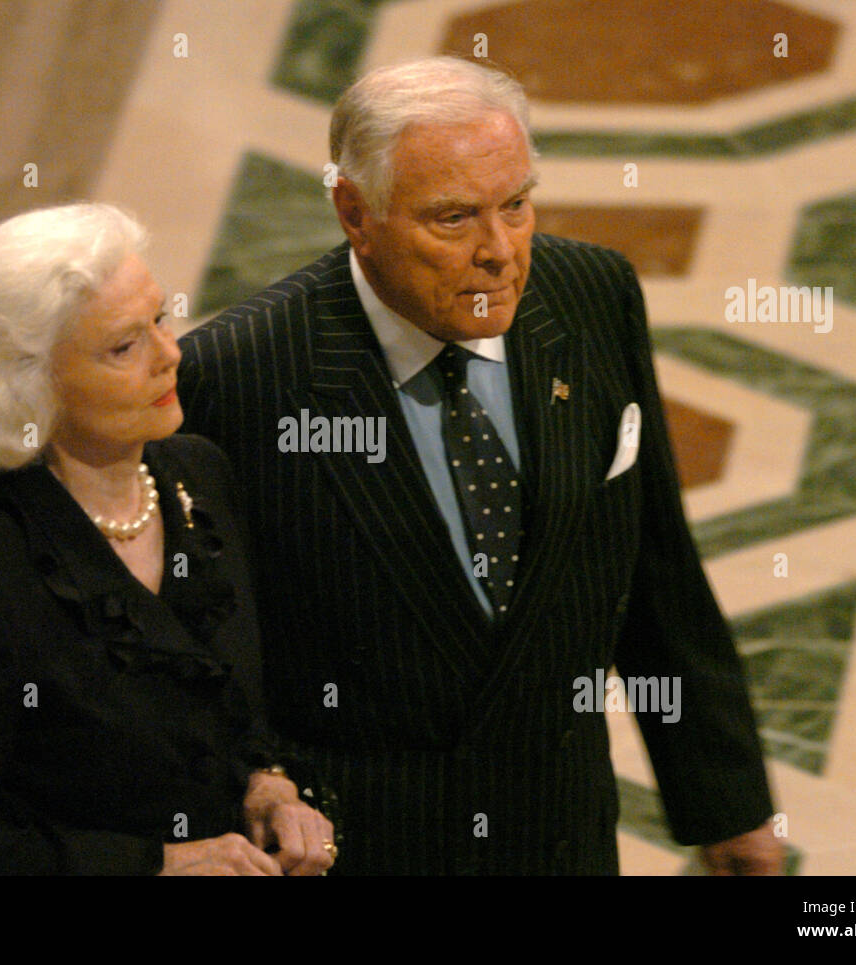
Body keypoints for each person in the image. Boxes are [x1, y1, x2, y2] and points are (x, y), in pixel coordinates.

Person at [177, 57, 782, 874]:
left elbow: (654, 560)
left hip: (560, 831)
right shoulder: (238, 374)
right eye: (453, 219)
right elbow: (205, 645)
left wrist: (729, 803)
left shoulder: (590, 296)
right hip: (366, 848)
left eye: (518, 206)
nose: (500, 252)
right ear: (356, 212)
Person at [0, 204, 336, 875]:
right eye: (125, 346)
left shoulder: (199, 476)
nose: (170, 353)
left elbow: (225, 716)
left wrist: (267, 784)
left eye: (160, 319)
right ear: (29, 384)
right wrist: (155, 865)